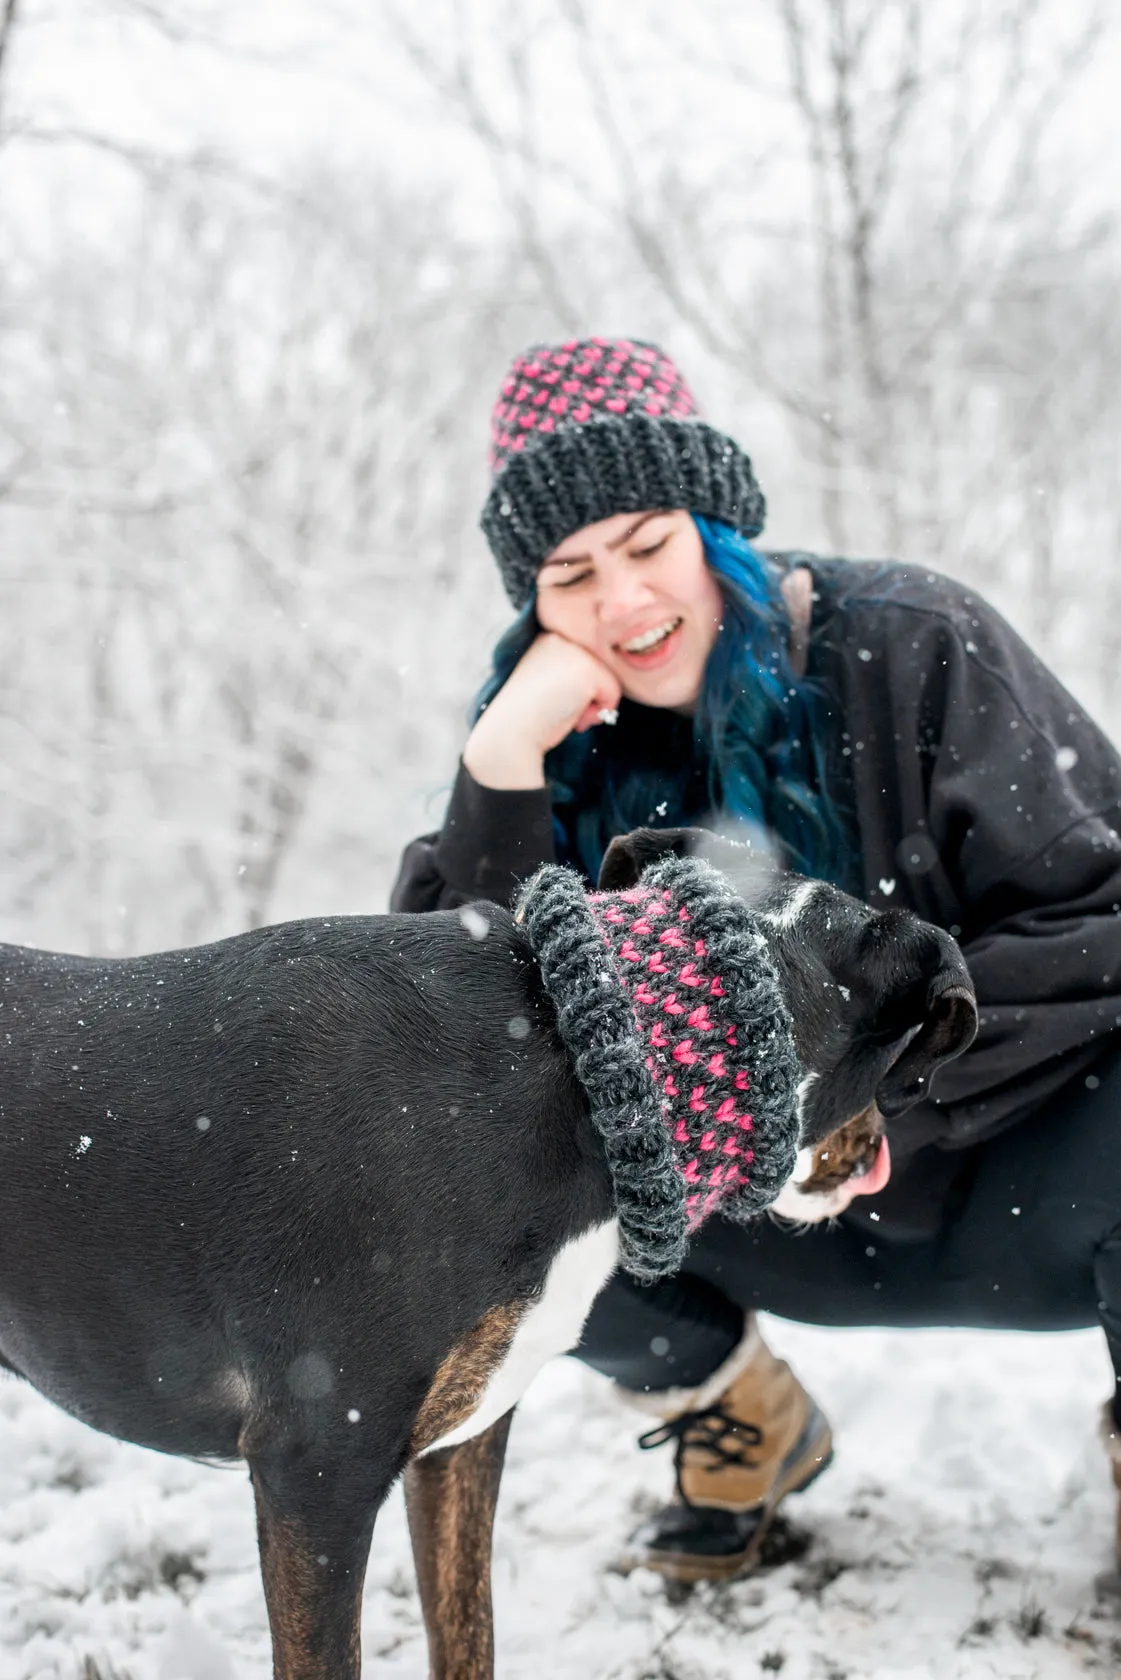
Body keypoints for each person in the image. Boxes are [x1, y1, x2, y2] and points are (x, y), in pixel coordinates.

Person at [391, 336, 1121, 1582]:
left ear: (711, 525)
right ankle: (735, 1415)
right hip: (748, 1221)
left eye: (644, 544)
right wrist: (502, 764)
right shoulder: (549, 739)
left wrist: (881, 1085)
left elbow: (1099, 914)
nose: (620, 603)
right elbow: (443, 1044)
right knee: (459, 1160)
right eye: (569, 574)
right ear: (534, 606)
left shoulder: (910, 641)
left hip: (1015, 1180)